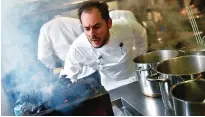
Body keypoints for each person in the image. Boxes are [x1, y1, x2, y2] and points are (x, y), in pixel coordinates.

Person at [60, 1, 147, 91]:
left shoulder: (126, 26)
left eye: (97, 27)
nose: (92, 34)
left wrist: (139, 58)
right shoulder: (78, 48)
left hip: (137, 78)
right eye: (87, 28)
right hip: (111, 88)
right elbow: (68, 75)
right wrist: (64, 86)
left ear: (109, 23)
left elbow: (141, 35)